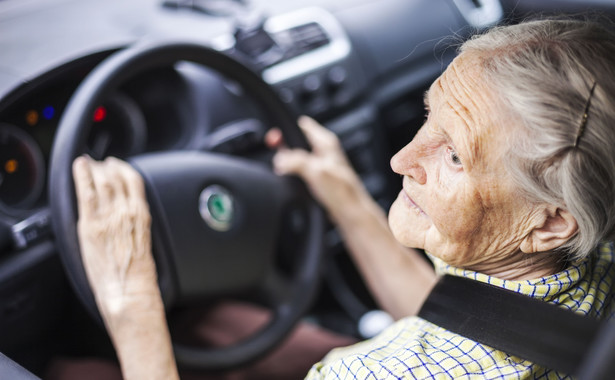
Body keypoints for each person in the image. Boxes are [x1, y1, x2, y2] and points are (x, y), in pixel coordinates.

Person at [62, 18, 615, 379]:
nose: (401, 159)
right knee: (216, 325)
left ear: (549, 223)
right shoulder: (593, 262)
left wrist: (131, 300)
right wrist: (347, 199)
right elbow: (471, 319)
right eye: (429, 116)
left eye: (454, 156)